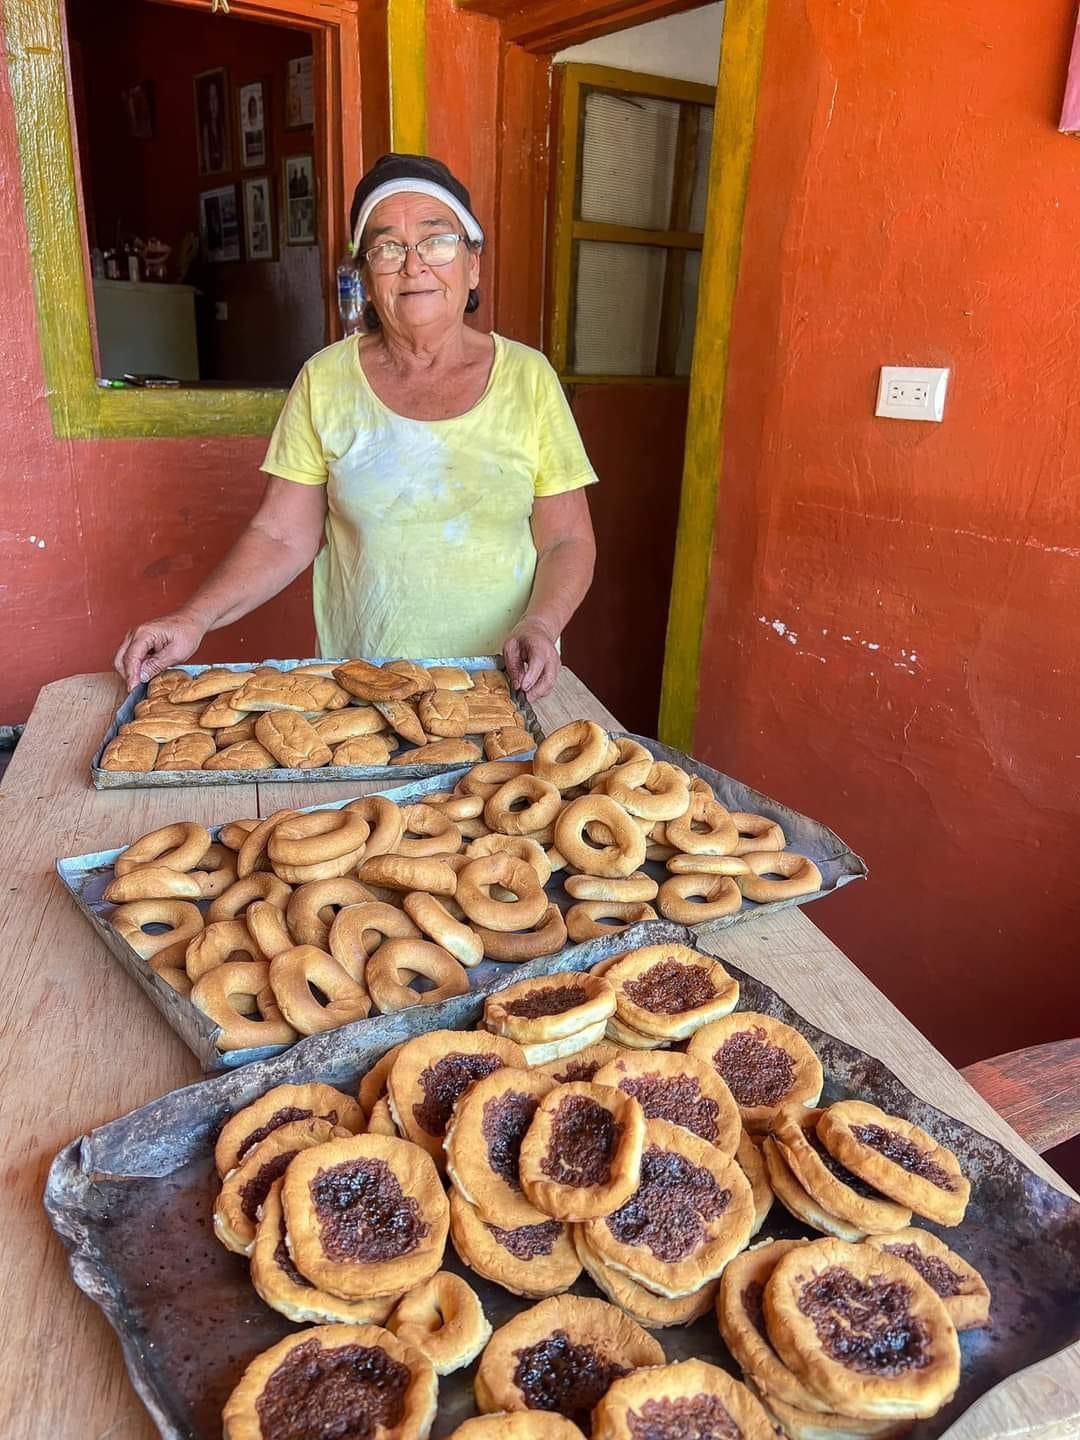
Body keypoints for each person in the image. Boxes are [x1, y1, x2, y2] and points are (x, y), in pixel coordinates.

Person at [115, 153, 598, 699]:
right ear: (366, 278)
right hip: (364, 687)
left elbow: (567, 539)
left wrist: (541, 625)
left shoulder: (528, 379)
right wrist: (193, 618)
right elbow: (280, 535)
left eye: (437, 241)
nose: (413, 265)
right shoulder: (325, 381)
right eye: (388, 248)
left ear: (473, 265)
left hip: (505, 686)